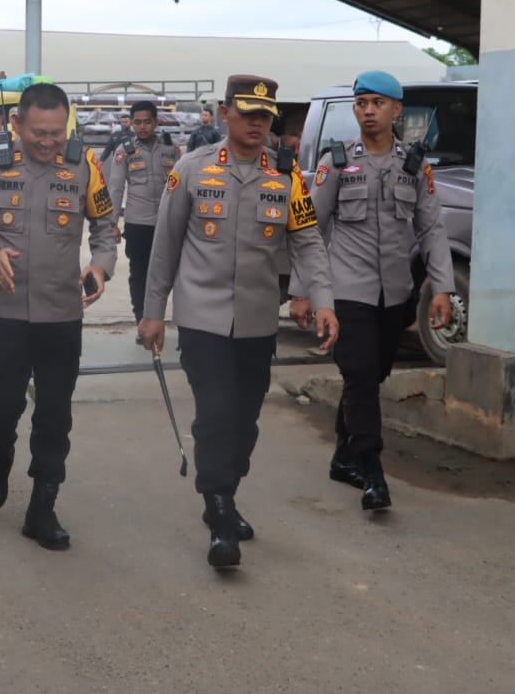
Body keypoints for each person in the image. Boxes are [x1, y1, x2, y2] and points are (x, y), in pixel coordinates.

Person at [139, 74, 337, 569]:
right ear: (226, 113)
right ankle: (220, 517)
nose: (256, 123)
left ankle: (225, 491)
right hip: (201, 316)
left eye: (264, 115)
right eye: (247, 113)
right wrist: (153, 313)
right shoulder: (191, 169)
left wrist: (323, 299)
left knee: (244, 422)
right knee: (216, 413)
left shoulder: (285, 177)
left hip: (256, 320)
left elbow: (308, 241)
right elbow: (164, 246)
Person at [0, 82, 117, 551]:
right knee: (0, 408)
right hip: (4, 314)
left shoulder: (84, 165)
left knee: (54, 416)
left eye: (56, 132)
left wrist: (100, 266)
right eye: (39, 132)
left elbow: (106, 226)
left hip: (61, 315)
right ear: (18, 123)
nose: (48, 142)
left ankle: (43, 506)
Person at [288, 70, 454, 512]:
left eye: (378, 103)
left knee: (371, 376)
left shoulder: (414, 165)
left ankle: (343, 456)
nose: (368, 111)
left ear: (396, 110)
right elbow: (311, 229)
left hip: (394, 293)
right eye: (361, 103)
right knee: (360, 374)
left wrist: (442, 287)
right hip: (347, 291)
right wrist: (302, 292)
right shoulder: (337, 161)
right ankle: (372, 470)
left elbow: (431, 230)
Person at [104, 100, 181, 340]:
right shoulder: (124, 150)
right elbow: (116, 187)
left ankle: (184, 326)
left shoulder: (171, 148)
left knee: (177, 274)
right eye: (137, 122)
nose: (142, 126)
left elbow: (182, 185)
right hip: (138, 224)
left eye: (147, 121)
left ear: (156, 122)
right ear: (131, 123)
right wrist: (112, 224)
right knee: (140, 275)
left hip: (169, 222)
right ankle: (142, 323)